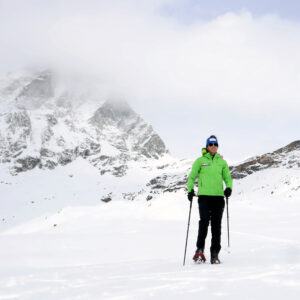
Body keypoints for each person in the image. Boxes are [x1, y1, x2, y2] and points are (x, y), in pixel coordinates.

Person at [187, 135, 232, 264]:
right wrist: (190, 190)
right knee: (204, 222)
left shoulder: (222, 162)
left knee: (216, 226)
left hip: (218, 197)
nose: (213, 146)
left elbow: (228, 177)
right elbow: (192, 177)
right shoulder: (200, 161)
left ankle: (214, 254)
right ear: (207, 146)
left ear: (217, 146)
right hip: (204, 197)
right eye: (211, 144)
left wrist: (229, 188)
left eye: (215, 144)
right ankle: (199, 250)